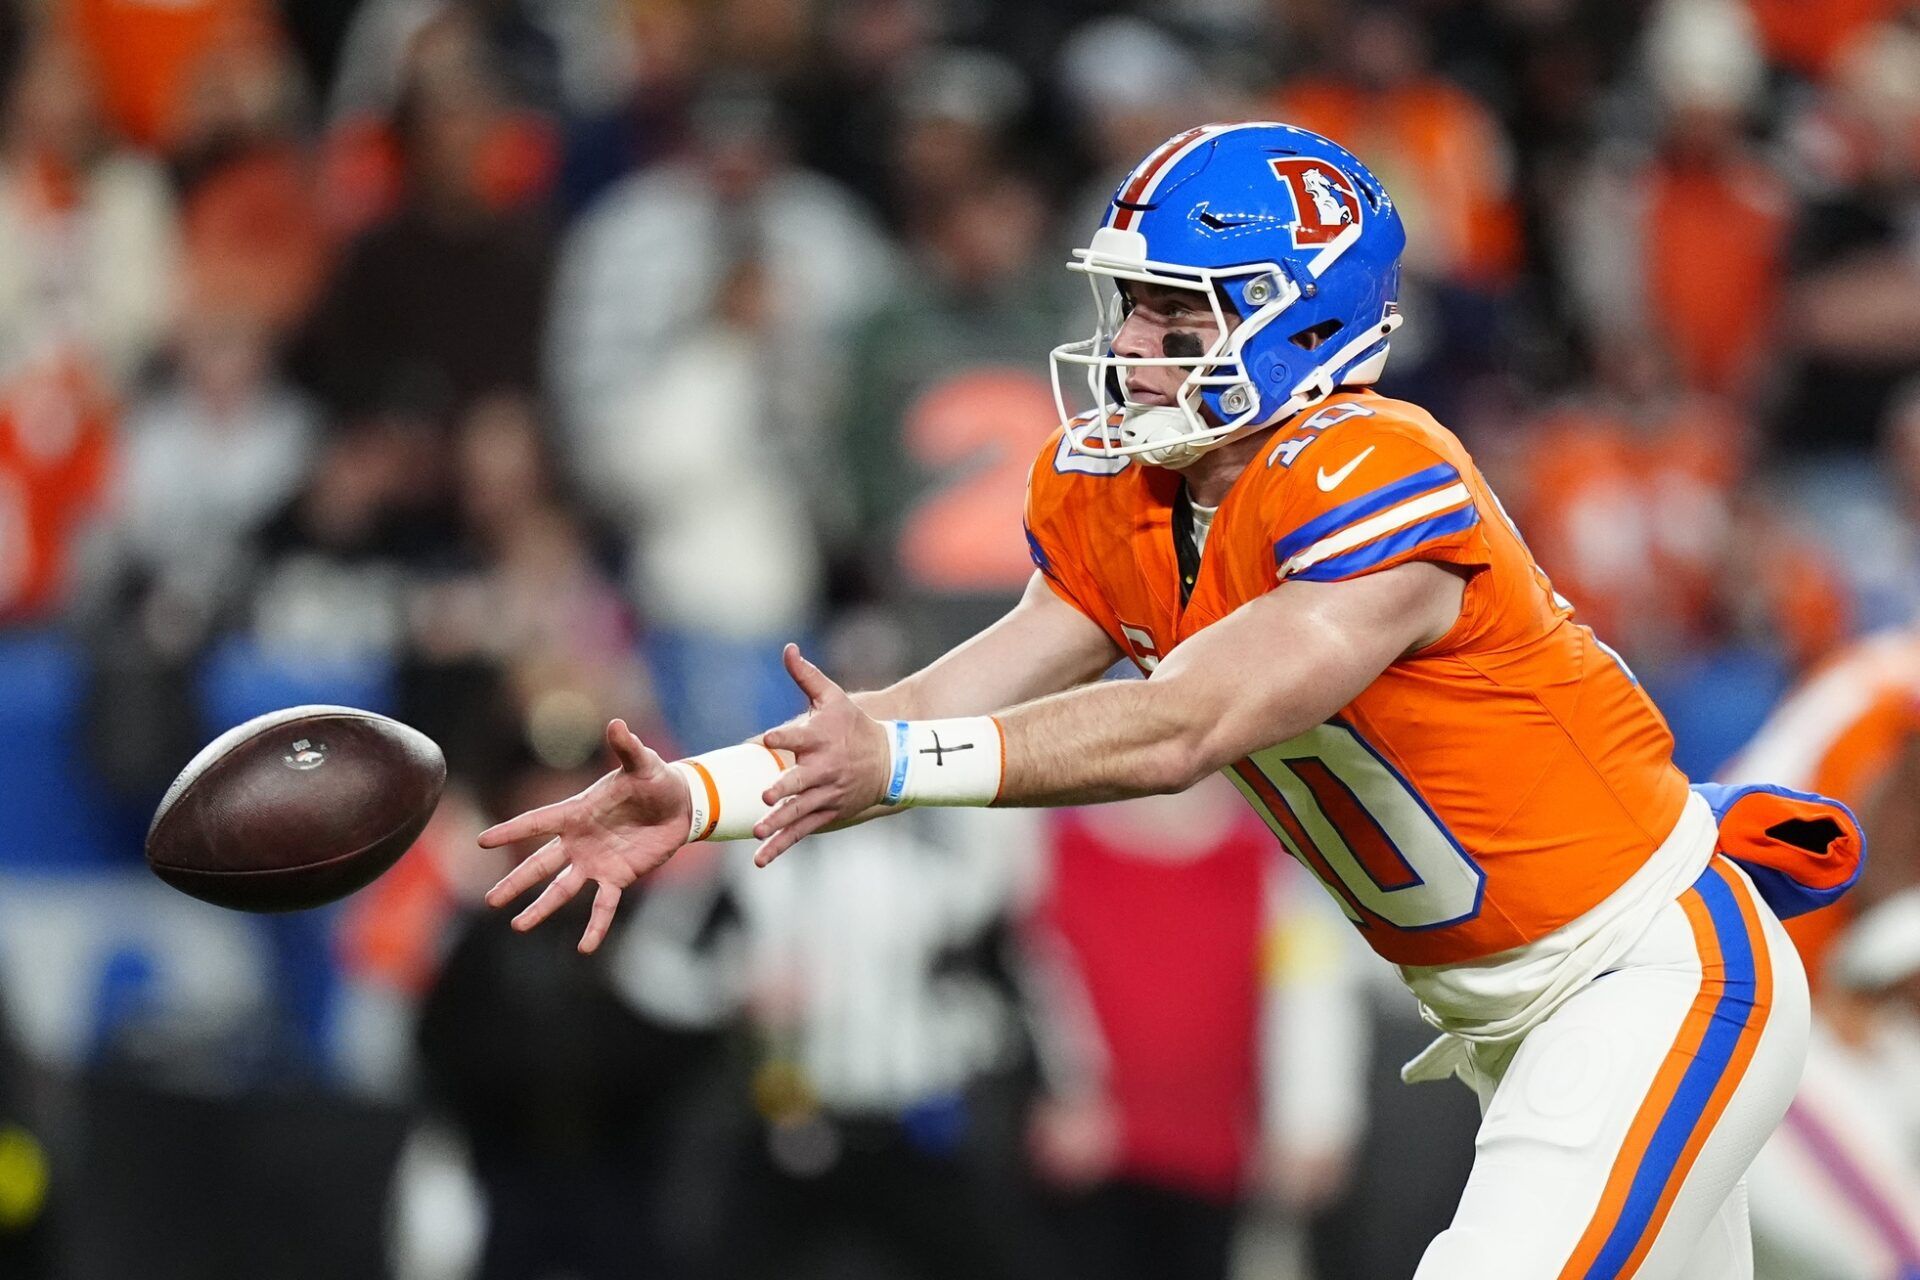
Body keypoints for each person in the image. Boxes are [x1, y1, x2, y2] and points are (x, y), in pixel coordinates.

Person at [481, 123, 1856, 1278]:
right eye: (1131, 304)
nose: (1133, 344)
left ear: (1303, 318)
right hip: (1515, 1012)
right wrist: (700, 795)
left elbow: (1183, 725)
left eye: (1178, 313)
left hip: (1643, 976)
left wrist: (903, 762)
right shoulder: (1124, 493)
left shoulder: (1369, 467)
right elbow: (922, 705)